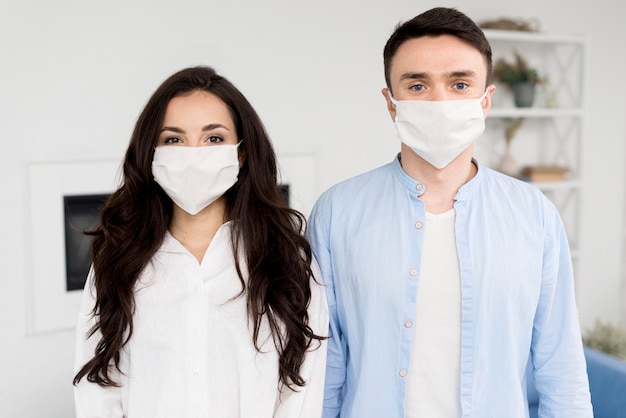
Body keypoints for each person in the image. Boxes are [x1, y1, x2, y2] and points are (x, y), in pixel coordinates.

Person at [306, 7, 592, 418]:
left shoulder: (535, 216)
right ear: (391, 104)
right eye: (418, 85)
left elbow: (560, 364)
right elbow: (325, 360)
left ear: (485, 101)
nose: (440, 101)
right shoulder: (337, 212)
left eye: (460, 83)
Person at [73, 66, 328, 418]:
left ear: (240, 153)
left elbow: (301, 392)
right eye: (174, 139)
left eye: (213, 138)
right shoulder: (118, 260)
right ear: (152, 154)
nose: (193, 153)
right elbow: (97, 391)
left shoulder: (288, 260)